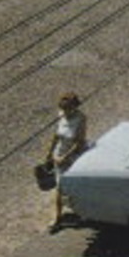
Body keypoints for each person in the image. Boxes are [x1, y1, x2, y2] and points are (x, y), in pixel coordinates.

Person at [41, 92, 88, 230]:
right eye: (63, 109)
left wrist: (65, 157)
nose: (65, 112)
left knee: (74, 185)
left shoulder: (81, 118)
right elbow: (56, 135)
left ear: (74, 107)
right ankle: (57, 215)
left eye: (68, 109)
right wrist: (49, 153)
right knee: (60, 186)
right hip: (59, 155)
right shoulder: (61, 115)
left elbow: (79, 142)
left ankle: (82, 210)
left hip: (73, 156)